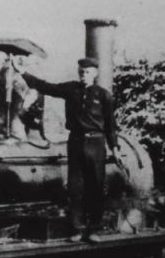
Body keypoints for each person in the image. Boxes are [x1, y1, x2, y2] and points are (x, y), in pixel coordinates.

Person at [13, 56, 121, 242]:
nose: (83, 75)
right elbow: (45, 86)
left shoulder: (104, 95)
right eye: (81, 72)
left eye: (87, 72)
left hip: (96, 143)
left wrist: (115, 148)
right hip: (76, 142)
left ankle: (94, 229)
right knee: (75, 187)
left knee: (95, 186)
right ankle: (77, 229)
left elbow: (111, 125)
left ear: (94, 73)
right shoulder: (70, 89)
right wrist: (22, 72)